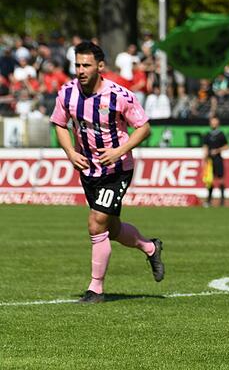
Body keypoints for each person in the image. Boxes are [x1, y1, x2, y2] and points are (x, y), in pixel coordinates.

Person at [49, 41, 164, 304]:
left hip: (117, 169)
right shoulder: (67, 93)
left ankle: (95, 289)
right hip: (89, 170)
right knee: (110, 228)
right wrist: (70, 152)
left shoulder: (119, 95)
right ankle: (150, 247)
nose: (80, 70)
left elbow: (144, 128)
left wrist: (118, 150)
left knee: (95, 222)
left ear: (100, 67)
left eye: (86, 65)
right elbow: (58, 123)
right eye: (77, 64)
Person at [202, 115, 229, 207]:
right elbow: (205, 147)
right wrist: (204, 158)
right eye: (212, 121)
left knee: (221, 179)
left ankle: (222, 201)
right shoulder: (208, 134)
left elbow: (227, 146)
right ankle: (209, 201)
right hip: (210, 161)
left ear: (217, 123)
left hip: (218, 159)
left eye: (215, 122)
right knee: (210, 180)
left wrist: (217, 150)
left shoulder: (221, 134)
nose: (213, 123)